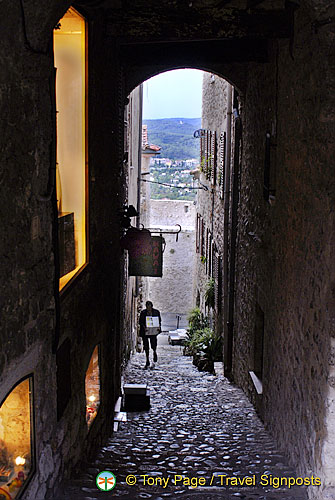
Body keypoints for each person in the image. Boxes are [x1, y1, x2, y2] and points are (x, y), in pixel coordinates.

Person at [139, 301, 161, 368]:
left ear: (151, 306)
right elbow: (140, 322)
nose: (148, 308)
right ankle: (147, 359)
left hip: (153, 331)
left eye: (149, 306)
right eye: (147, 306)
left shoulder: (156, 312)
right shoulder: (143, 313)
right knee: (146, 346)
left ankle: (154, 352)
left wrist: (158, 327)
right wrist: (144, 327)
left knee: (153, 343)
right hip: (145, 332)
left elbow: (159, 321)